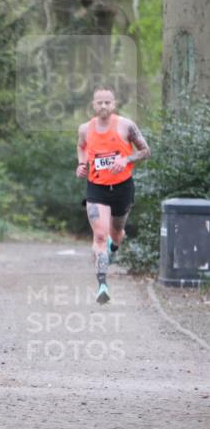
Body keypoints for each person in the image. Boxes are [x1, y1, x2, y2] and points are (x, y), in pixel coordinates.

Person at [76, 87, 150, 304]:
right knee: (99, 236)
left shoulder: (126, 125)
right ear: (93, 105)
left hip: (122, 188)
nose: (103, 106)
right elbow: (81, 147)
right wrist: (81, 164)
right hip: (96, 188)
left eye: (107, 102)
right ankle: (102, 286)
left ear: (114, 104)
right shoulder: (85, 129)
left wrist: (126, 159)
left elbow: (146, 151)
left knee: (116, 233)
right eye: (99, 102)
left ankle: (114, 245)